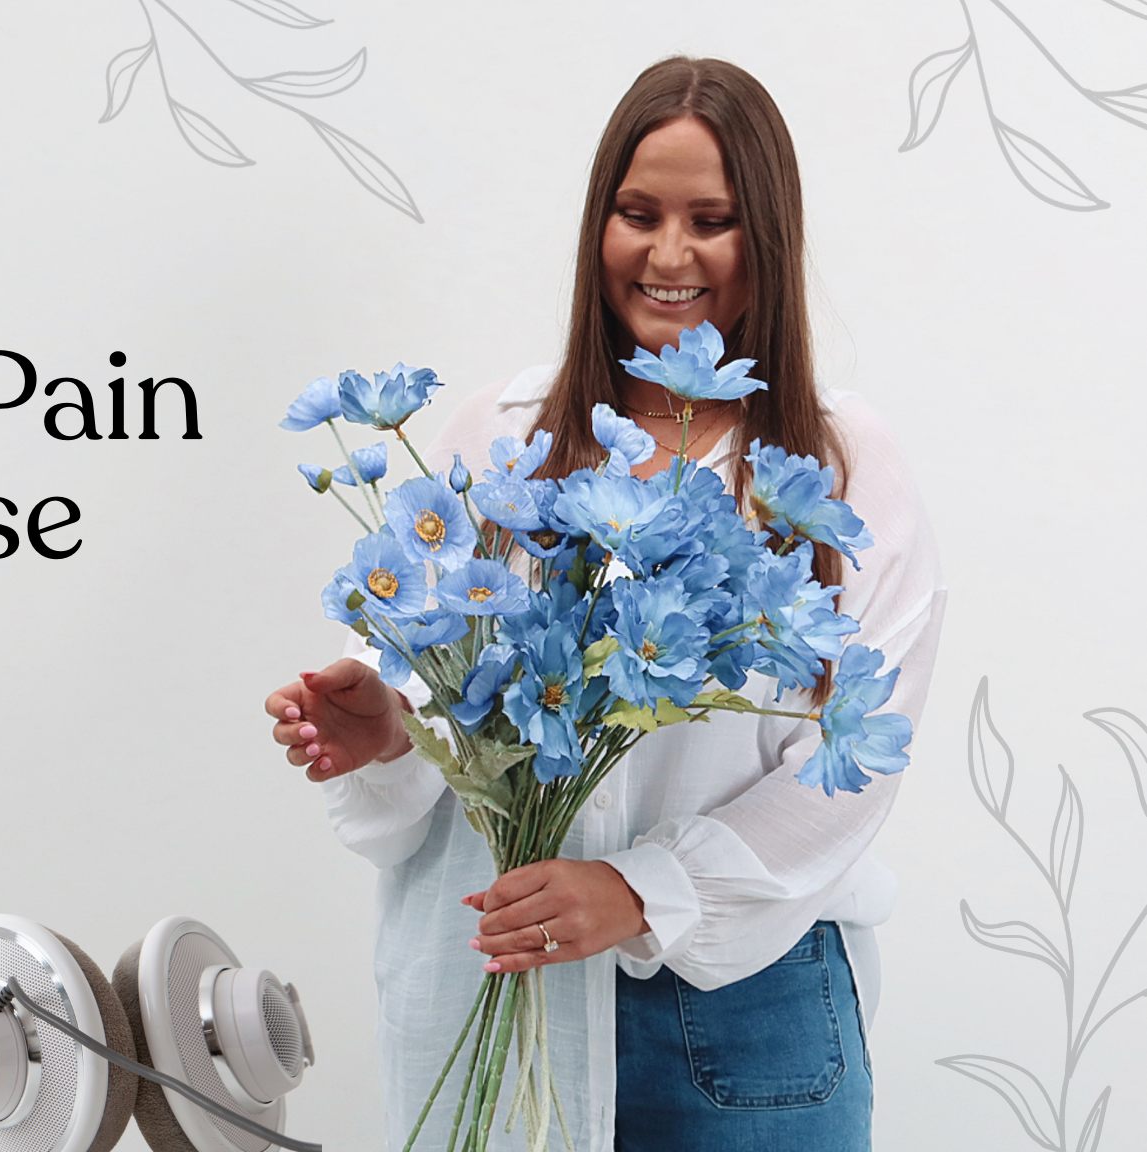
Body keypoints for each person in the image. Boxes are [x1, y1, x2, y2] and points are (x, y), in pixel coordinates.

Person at [265, 57, 946, 1152]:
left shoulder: (835, 463)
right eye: (639, 213)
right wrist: (387, 730)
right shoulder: (504, 435)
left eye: (711, 220)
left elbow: (852, 761)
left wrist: (642, 893)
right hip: (509, 986)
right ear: (600, 226)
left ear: (766, 237)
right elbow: (429, 682)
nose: (668, 254)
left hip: (747, 1008)